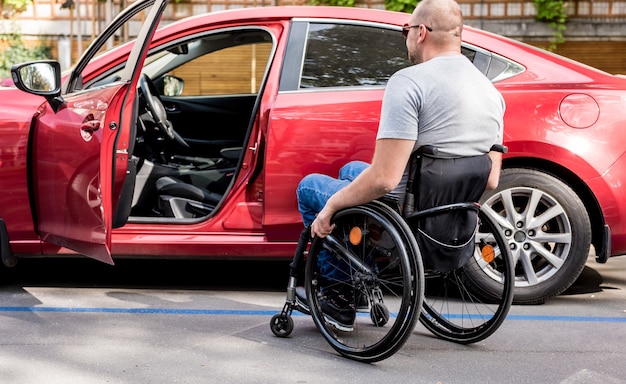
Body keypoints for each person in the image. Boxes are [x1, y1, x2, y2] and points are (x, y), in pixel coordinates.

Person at [296, 0, 506, 331]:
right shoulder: (491, 93)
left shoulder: (409, 82)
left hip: (406, 207)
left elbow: (383, 179)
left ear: (421, 33)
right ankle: (358, 277)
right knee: (351, 170)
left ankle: (339, 296)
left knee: (310, 187)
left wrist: (331, 208)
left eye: (406, 30)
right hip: (446, 210)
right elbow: (491, 178)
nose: (406, 37)